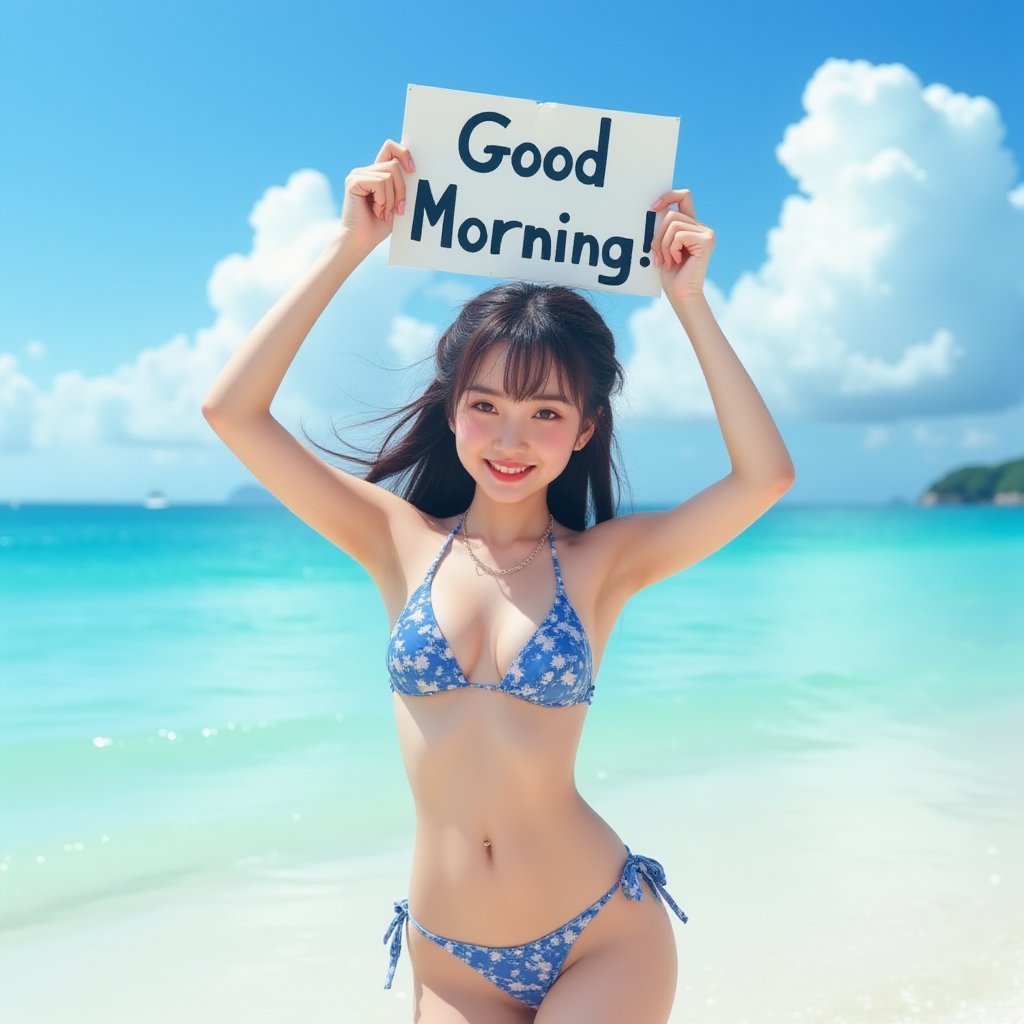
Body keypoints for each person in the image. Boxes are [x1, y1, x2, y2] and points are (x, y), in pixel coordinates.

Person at [202, 138, 795, 1023]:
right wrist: (349, 247)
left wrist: (690, 303)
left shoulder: (602, 564)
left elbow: (763, 478)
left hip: (599, 933)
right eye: (486, 405)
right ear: (453, 411)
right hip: (450, 960)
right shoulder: (393, 538)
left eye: (546, 413)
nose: (510, 440)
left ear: (586, 430)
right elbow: (231, 411)